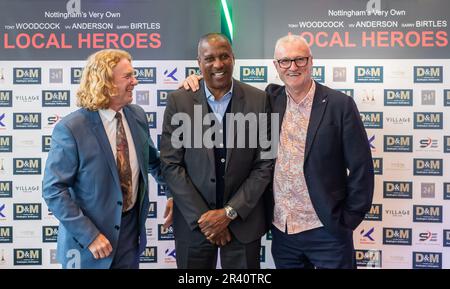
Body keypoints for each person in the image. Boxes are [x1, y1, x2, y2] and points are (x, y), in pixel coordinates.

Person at [182, 34, 374, 269]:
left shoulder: (339, 105)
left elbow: (361, 168)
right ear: (276, 66)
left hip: (327, 230)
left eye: (300, 60)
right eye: (285, 61)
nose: (293, 67)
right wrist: (196, 81)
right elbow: (224, 85)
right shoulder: (269, 100)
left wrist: (348, 219)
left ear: (311, 61)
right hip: (283, 233)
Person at [43, 49, 171, 269]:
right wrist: (90, 236)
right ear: (107, 83)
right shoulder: (71, 128)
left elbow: (153, 162)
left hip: (130, 237)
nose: (135, 81)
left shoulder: (137, 116)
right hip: (87, 246)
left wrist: (172, 192)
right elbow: (54, 189)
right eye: (128, 76)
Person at [160, 33, 273, 269]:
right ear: (199, 63)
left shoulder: (259, 100)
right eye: (209, 58)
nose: (218, 64)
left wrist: (228, 214)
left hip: (243, 223)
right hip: (194, 225)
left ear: (234, 58)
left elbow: (265, 164)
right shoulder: (178, 101)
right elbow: (171, 165)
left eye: (224, 57)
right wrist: (206, 220)